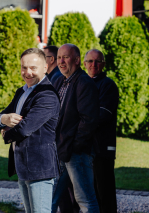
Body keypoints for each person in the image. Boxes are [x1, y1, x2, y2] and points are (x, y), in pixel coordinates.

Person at [0, 48, 60, 213]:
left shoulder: (47, 95)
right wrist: (4, 119)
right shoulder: (22, 91)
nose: (27, 72)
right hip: (23, 165)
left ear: (45, 67)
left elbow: (24, 129)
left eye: (33, 68)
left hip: (39, 168)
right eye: (24, 67)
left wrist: (5, 133)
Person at [52, 43, 100, 213]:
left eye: (65, 57)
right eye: (59, 57)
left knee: (85, 199)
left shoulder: (84, 83)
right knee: (50, 197)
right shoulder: (58, 80)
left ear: (77, 60)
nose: (61, 61)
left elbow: (88, 120)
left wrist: (74, 146)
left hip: (76, 153)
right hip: (59, 150)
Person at [84, 49, 119, 213]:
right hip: (86, 148)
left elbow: (103, 114)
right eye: (90, 61)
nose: (93, 65)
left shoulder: (107, 85)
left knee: (104, 192)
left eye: (97, 61)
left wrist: (79, 122)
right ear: (84, 64)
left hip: (102, 148)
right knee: (90, 193)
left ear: (103, 64)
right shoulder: (84, 83)